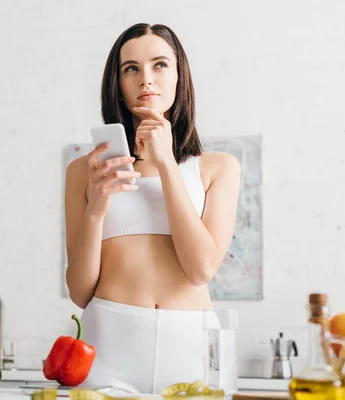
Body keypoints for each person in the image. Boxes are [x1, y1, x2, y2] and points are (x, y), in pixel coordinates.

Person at [63, 23, 241, 395]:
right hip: (108, 344)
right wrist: (96, 208)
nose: (146, 79)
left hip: (191, 347)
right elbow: (80, 292)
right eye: (131, 68)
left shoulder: (218, 168)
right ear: (118, 82)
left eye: (160, 65)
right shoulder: (85, 171)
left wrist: (166, 166)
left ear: (180, 76)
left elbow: (201, 269)